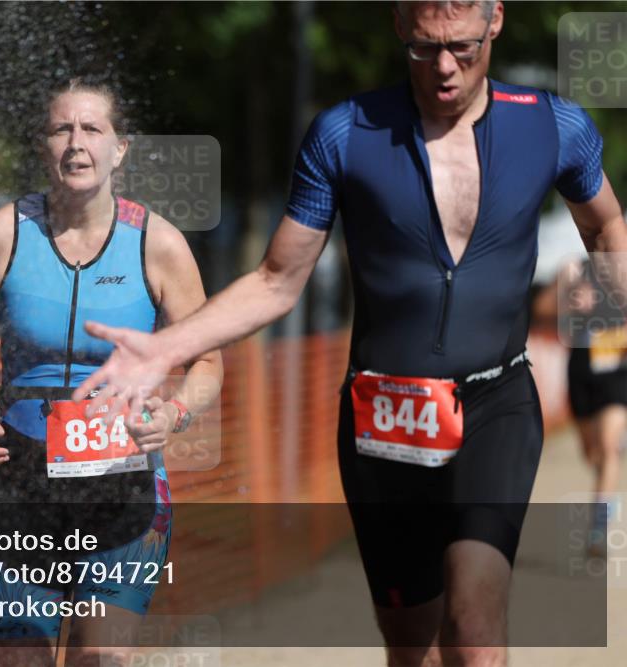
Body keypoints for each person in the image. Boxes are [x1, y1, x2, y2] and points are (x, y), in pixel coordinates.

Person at [72, 2, 627, 665]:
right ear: (399, 26)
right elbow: (279, 278)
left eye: (462, 48)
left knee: (476, 636)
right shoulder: (345, 133)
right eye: (424, 49)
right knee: (411, 643)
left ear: (495, 23)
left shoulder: (552, 126)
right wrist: (168, 345)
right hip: (383, 417)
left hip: (495, 405)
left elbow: (605, 225)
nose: (444, 67)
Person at [0, 78, 222, 667]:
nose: (76, 142)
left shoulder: (158, 243)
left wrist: (174, 412)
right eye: (61, 128)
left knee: (102, 659)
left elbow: (208, 358)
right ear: (43, 145)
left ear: (121, 148)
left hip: (124, 493)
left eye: (92, 128)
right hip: (21, 489)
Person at [561, 258, 627, 556]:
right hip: (582, 370)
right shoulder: (577, 268)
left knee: (609, 446)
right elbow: (548, 312)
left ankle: (598, 531)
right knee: (593, 454)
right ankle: (605, 488)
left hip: (617, 371)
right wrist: (570, 298)